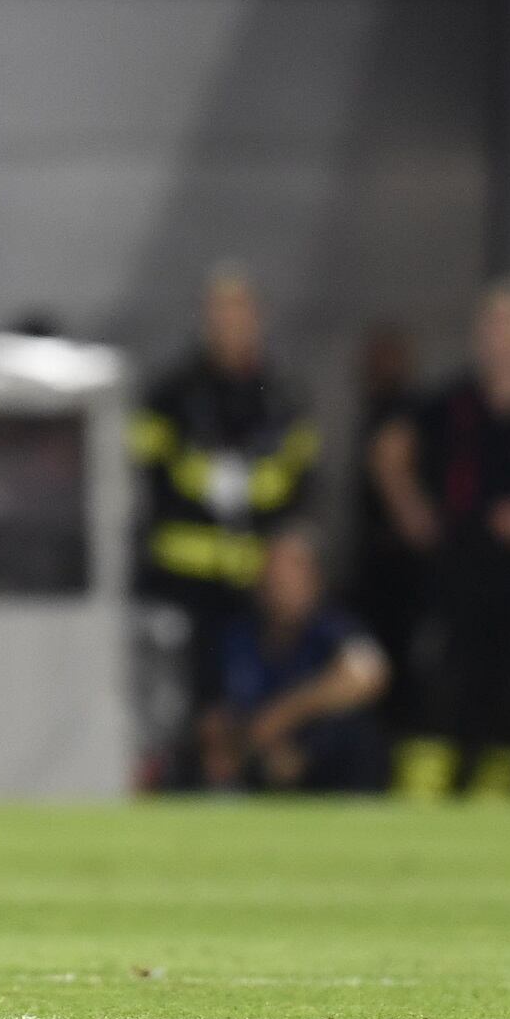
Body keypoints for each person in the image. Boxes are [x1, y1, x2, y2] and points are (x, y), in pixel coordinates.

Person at [131, 268, 318, 730]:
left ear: (257, 319)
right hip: (181, 578)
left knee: (251, 695)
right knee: (183, 700)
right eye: (219, 313)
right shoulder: (171, 395)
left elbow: (303, 485)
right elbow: (143, 476)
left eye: (239, 313)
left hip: (256, 580)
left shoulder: (281, 396)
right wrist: (203, 480)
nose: (229, 324)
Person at [370, 281, 510, 793]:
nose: (501, 338)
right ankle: (439, 794)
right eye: (492, 327)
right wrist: (413, 512)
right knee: (451, 685)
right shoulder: (454, 403)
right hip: (462, 570)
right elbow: (388, 450)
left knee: (509, 690)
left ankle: (498, 798)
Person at [198, 527, 389, 792]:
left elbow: (368, 675)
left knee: (351, 728)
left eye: (291, 571)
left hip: (324, 764)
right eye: (271, 570)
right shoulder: (237, 635)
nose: (278, 580)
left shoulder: (333, 628)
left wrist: (280, 718)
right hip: (255, 760)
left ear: (315, 579)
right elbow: (218, 708)